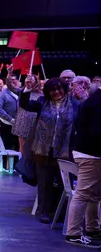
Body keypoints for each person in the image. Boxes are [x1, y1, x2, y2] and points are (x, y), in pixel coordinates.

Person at [19, 78, 80, 224]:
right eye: (53, 90)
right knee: (44, 182)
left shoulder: (75, 104)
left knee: (63, 182)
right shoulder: (42, 102)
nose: (57, 92)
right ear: (47, 92)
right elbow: (25, 104)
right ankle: (44, 211)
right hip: (43, 150)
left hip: (65, 150)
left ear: (64, 89)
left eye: (59, 89)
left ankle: (62, 213)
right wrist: (27, 89)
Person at [65, 86, 101, 247]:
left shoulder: (93, 100)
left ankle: (92, 228)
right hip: (91, 154)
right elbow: (97, 133)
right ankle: (73, 234)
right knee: (83, 193)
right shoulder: (97, 103)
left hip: (86, 152)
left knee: (93, 194)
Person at [12, 75, 43, 152]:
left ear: (36, 81)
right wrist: (9, 74)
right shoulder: (22, 91)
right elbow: (10, 86)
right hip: (23, 122)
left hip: (36, 123)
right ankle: (22, 162)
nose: (29, 81)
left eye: (31, 80)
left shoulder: (42, 94)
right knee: (23, 146)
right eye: (28, 80)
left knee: (34, 147)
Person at [0, 76, 21, 150]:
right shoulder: (2, 94)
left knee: (17, 145)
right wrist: (10, 119)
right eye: (11, 80)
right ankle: (6, 161)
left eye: (14, 80)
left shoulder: (20, 92)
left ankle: (16, 161)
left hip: (18, 123)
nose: (13, 82)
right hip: (7, 123)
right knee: (7, 145)